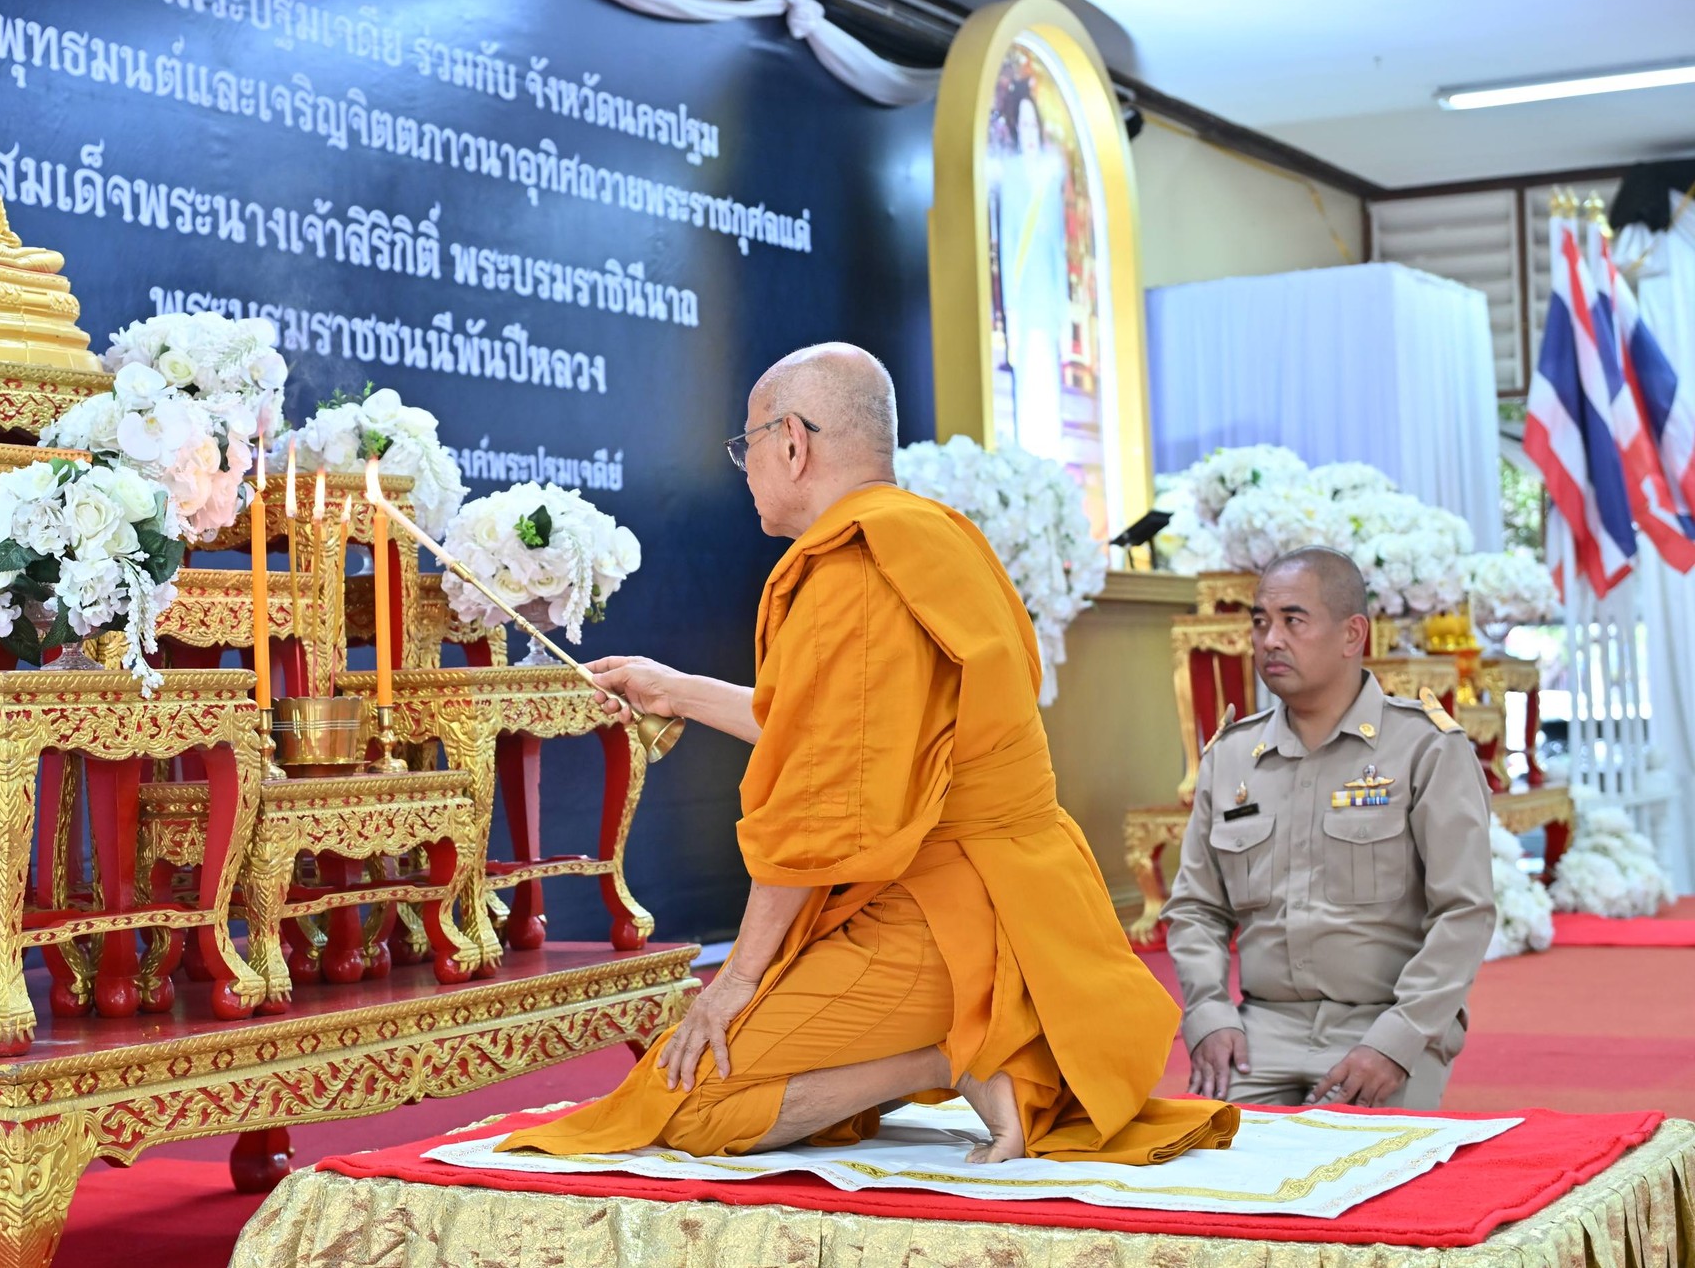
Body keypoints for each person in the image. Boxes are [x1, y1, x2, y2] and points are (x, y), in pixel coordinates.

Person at [498, 342, 1236, 1165]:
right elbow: (831, 736)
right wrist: (674, 689)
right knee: (721, 1072)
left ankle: (962, 1053)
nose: (744, 469)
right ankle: (964, 1043)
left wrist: (737, 978)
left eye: (746, 446)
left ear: (793, 443)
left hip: (948, 911)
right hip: (1011, 885)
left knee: (694, 1103)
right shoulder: (937, 539)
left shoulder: (853, 570)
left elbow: (819, 802)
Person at [1163, 548, 1496, 1109]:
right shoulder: (1232, 756)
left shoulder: (1425, 748)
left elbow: (1464, 911)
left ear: (1351, 635)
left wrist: (1398, 1040)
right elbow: (1196, 906)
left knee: (1356, 1180)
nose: (1270, 640)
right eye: (1261, 623)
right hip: (1260, 1032)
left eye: (1293, 621)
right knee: (1211, 1176)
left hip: (1381, 1026)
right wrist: (1208, 1013)